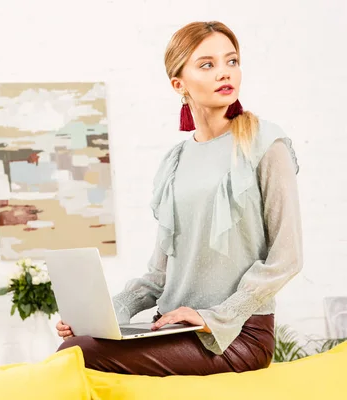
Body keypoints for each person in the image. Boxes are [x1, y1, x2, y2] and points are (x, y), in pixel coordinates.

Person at [55, 21, 303, 377]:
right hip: (173, 328)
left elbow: (287, 257)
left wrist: (212, 317)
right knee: (75, 346)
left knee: (77, 354)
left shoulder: (266, 143)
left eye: (232, 61)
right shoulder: (176, 161)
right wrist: (100, 316)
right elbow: (159, 275)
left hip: (236, 335)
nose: (224, 73)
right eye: (207, 64)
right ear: (178, 84)